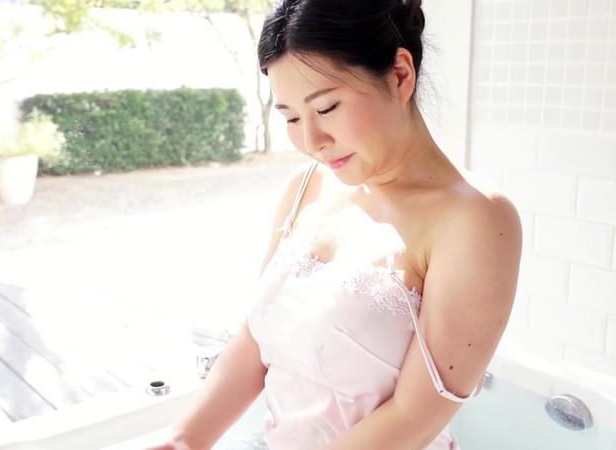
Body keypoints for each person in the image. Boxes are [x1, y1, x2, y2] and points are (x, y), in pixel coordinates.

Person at [147, 0, 521, 448]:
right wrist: (183, 439)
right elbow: (255, 337)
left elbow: (413, 418)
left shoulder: (475, 220)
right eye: (290, 117)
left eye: (326, 108)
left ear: (399, 75)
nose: (311, 141)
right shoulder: (305, 185)